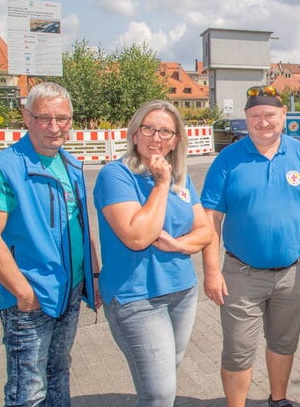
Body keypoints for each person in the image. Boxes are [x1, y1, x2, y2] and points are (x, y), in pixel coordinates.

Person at [201, 85, 300, 407]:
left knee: (284, 342)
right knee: (237, 349)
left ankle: (279, 399)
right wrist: (212, 270)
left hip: (294, 272)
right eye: (255, 116)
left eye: (269, 115)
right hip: (241, 275)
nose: (263, 122)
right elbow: (210, 217)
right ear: (246, 119)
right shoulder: (228, 159)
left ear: (284, 116)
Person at [0, 82, 100, 406]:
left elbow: (81, 227)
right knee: (27, 392)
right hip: (30, 300)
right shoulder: (4, 168)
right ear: (26, 117)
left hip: (68, 292)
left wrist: (93, 277)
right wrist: (23, 292)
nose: (54, 127)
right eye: (44, 118)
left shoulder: (70, 164)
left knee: (59, 371)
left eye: (62, 118)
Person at [93, 100, 212, 406]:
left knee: (160, 384)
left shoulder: (181, 178)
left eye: (165, 132)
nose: (156, 137)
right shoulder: (116, 176)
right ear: (135, 134)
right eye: (148, 128)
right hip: (137, 297)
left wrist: (179, 245)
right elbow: (137, 236)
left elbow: (205, 231)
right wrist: (160, 183)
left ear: (175, 141)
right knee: (159, 393)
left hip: (182, 292)